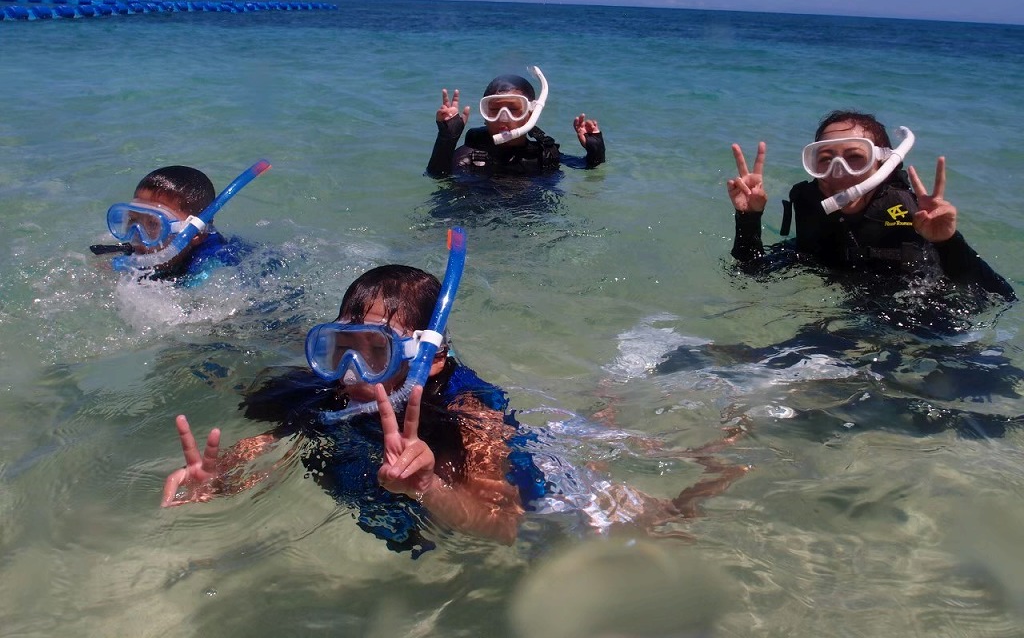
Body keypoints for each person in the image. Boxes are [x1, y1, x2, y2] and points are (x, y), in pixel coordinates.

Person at [162, 254, 747, 554]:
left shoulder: (472, 412)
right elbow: (271, 447)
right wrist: (221, 482)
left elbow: (500, 526)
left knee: (660, 522)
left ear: (427, 359)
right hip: (408, 502)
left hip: (536, 491)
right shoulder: (328, 392)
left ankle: (711, 465)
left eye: (372, 350)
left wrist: (427, 489)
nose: (349, 370)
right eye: (339, 346)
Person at [727, 110, 1015, 301]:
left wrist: (948, 242)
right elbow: (751, 275)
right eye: (825, 159)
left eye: (855, 157)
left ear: (883, 163)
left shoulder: (915, 219)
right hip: (854, 327)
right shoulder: (816, 220)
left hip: (930, 324)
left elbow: (1001, 296)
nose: (838, 170)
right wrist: (748, 218)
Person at [92, 161, 267, 283]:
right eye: (132, 220)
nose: (137, 235)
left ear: (195, 233)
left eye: (153, 224)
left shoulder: (214, 268)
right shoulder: (146, 249)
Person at [426, 67, 606, 177]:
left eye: (513, 109)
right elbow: (438, 177)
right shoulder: (471, 157)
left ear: (532, 113)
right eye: (494, 110)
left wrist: (595, 150)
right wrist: (446, 140)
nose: (504, 118)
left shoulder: (544, 154)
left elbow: (588, 167)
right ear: (484, 114)